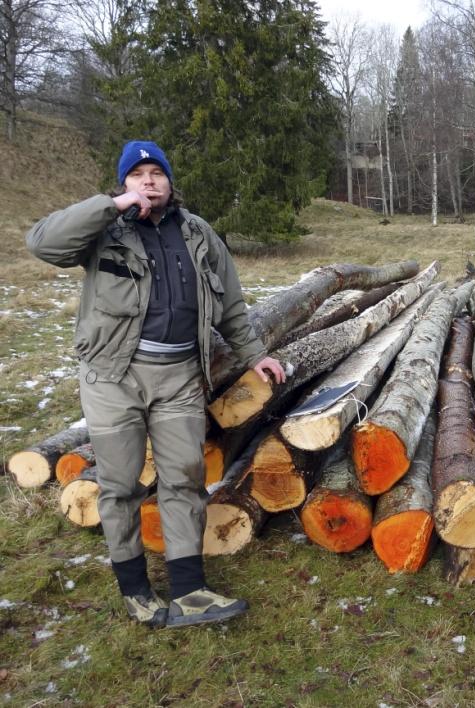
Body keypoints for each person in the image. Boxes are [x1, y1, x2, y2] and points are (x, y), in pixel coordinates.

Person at [26, 140, 286, 628]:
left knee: (184, 479)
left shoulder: (198, 234)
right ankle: (136, 590)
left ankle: (189, 590)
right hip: (113, 378)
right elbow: (43, 243)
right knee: (120, 486)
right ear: (124, 184)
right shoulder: (104, 230)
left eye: (156, 173)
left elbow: (230, 304)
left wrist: (256, 356)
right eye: (137, 174)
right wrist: (112, 207)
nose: (148, 181)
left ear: (170, 182)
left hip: (180, 378)